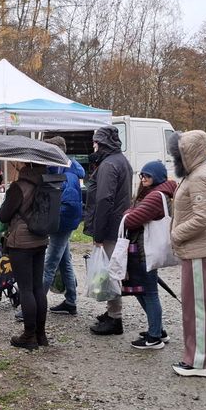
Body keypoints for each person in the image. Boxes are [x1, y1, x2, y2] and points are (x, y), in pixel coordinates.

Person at [168, 130, 206, 377]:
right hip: (196, 249)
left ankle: (198, 362)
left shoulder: (198, 176)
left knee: (195, 306)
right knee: (200, 303)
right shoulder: (199, 171)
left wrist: (176, 234)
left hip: (196, 249)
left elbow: (202, 217)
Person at [121, 161, 177, 349]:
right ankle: (158, 330)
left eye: (148, 175)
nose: (144, 178)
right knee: (142, 290)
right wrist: (131, 211)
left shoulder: (155, 196)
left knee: (149, 292)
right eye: (142, 175)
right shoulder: (157, 193)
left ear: (157, 177)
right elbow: (133, 212)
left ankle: (154, 337)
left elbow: (131, 220)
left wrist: (129, 212)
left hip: (146, 251)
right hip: (144, 250)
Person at [85, 126, 133, 336]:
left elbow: (104, 199)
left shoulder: (108, 165)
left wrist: (98, 233)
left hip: (110, 227)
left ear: (103, 143)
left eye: (96, 142)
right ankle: (112, 312)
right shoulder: (121, 160)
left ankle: (115, 318)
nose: (93, 145)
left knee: (110, 272)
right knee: (112, 270)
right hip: (118, 224)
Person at [0, 161, 50, 349]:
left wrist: (10, 195)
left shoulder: (19, 187)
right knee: (38, 287)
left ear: (25, 165)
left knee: (26, 288)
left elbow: (3, 215)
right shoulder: (46, 183)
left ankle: (29, 336)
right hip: (41, 239)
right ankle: (41, 335)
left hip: (21, 243)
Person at [41, 136, 85, 316]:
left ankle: (34, 305)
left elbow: (70, 206)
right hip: (62, 223)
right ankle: (71, 301)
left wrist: (51, 219)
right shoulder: (62, 170)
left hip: (62, 224)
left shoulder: (68, 174)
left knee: (49, 265)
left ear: (57, 152)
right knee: (65, 261)